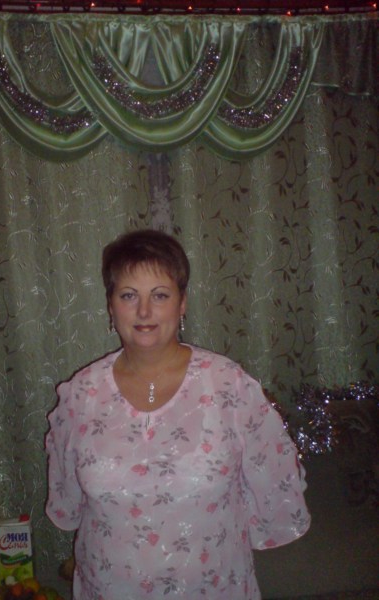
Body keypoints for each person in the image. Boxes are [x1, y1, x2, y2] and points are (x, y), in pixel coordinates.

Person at [45, 229, 311, 600]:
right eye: (128, 295)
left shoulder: (229, 386)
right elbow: (68, 506)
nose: (144, 311)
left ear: (182, 303)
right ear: (110, 306)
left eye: (160, 295)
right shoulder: (80, 396)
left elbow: (275, 496)